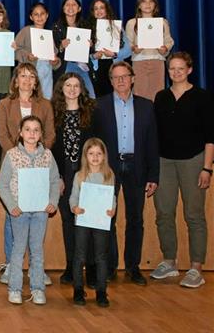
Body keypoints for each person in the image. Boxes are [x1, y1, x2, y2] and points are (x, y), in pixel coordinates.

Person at [93, 61, 159, 285]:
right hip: (108, 169)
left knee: (135, 219)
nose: (120, 80)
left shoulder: (146, 106)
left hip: (136, 167)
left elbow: (152, 143)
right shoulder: (99, 106)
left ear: (132, 78)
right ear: (110, 81)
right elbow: (94, 143)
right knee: (107, 219)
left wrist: (153, 175)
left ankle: (133, 267)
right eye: (116, 77)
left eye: (124, 76)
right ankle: (109, 266)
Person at [150, 52, 212, 288]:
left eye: (180, 69)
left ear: (189, 70)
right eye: (171, 69)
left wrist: (207, 168)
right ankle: (169, 261)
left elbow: (210, 136)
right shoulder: (161, 97)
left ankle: (196, 267)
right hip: (164, 161)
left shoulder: (202, 97)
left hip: (193, 161)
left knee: (194, 215)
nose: (175, 73)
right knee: (163, 213)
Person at [0, 63, 55, 285]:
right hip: (13, 164)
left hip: (39, 168)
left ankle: (35, 269)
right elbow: (2, 135)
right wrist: (19, 153)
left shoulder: (45, 105)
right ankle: (12, 266)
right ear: (16, 80)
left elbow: (50, 135)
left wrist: (36, 152)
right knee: (15, 214)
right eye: (22, 76)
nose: (27, 80)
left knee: (37, 216)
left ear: (36, 81)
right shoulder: (4, 104)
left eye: (31, 76)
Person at [0, 115, 60, 305]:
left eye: (36, 130)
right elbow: (2, 184)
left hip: (40, 211)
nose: (32, 134)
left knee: (37, 249)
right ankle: (15, 289)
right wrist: (12, 206)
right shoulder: (12, 155)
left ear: (41, 134)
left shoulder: (47, 156)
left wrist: (52, 202)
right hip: (19, 212)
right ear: (20, 133)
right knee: (18, 250)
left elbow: (55, 181)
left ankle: (38, 288)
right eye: (28, 129)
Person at [51, 72, 96, 284]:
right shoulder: (53, 113)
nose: (71, 89)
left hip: (87, 174)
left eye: (76, 85)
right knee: (69, 221)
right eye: (67, 85)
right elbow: (50, 148)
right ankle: (72, 267)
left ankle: (93, 268)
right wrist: (58, 176)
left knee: (88, 221)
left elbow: (98, 146)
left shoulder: (91, 112)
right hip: (63, 175)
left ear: (81, 88)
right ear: (61, 88)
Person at [70, 137, 116, 308]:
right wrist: (74, 207)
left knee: (101, 257)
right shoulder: (80, 176)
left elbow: (112, 197)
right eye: (91, 153)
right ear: (85, 156)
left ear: (104, 156)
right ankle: (78, 290)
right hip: (82, 220)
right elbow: (73, 197)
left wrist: (112, 209)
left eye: (99, 154)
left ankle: (102, 291)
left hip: (101, 221)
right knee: (79, 256)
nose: (95, 157)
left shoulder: (108, 175)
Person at [125, 0, 174, 101]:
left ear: (155, 5)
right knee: (139, 94)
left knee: (157, 94)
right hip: (139, 61)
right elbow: (128, 43)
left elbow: (169, 41)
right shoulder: (132, 23)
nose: (147, 4)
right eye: (144, 1)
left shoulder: (163, 22)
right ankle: (141, 118)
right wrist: (134, 48)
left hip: (157, 61)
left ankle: (155, 118)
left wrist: (164, 49)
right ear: (139, 5)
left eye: (151, 1)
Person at [14, 2, 61, 99]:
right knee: (28, 100)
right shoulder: (26, 31)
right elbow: (14, 50)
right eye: (36, 14)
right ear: (31, 17)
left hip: (46, 73)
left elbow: (55, 57)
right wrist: (27, 56)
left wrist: (55, 61)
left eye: (42, 13)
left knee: (45, 101)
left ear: (47, 15)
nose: (39, 17)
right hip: (30, 72)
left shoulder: (49, 34)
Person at [52, 0, 96, 98]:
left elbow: (92, 51)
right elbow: (53, 51)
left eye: (74, 4)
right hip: (66, 66)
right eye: (67, 5)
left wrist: (91, 46)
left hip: (83, 66)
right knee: (66, 97)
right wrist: (61, 46)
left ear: (79, 8)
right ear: (63, 8)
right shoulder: (56, 27)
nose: (70, 7)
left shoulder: (86, 25)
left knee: (90, 96)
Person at [87, 0, 129, 97]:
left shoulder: (117, 27)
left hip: (114, 67)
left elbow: (128, 51)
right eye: (96, 8)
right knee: (99, 100)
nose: (99, 11)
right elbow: (82, 55)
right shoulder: (88, 29)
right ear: (93, 12)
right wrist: (93, 56)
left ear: (107, 10)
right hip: (96, 69)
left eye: (102, 8)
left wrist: (114, 54)